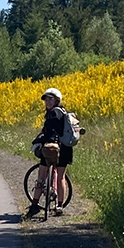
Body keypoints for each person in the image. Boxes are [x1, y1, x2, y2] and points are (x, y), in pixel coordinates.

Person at [27, 87, 74, 217]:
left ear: (57, 100)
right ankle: (59, 206)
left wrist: (39, 141)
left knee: (42, 174)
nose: (47, 102)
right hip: (65, 148)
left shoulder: (53, 113)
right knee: (61, 176)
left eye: (50, 99)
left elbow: (48, 132)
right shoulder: (64, 112)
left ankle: (35, 205)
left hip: (51, 147)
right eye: (46, 99)